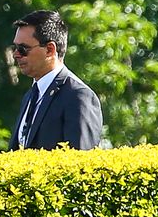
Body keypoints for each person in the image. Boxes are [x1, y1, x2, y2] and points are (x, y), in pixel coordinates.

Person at [11, 10, 102, 150]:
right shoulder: (30, 96)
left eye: (23, 49)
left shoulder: (78, 96)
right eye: (15, 48)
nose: (16, 55)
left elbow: (81, 162)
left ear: (49, 49)